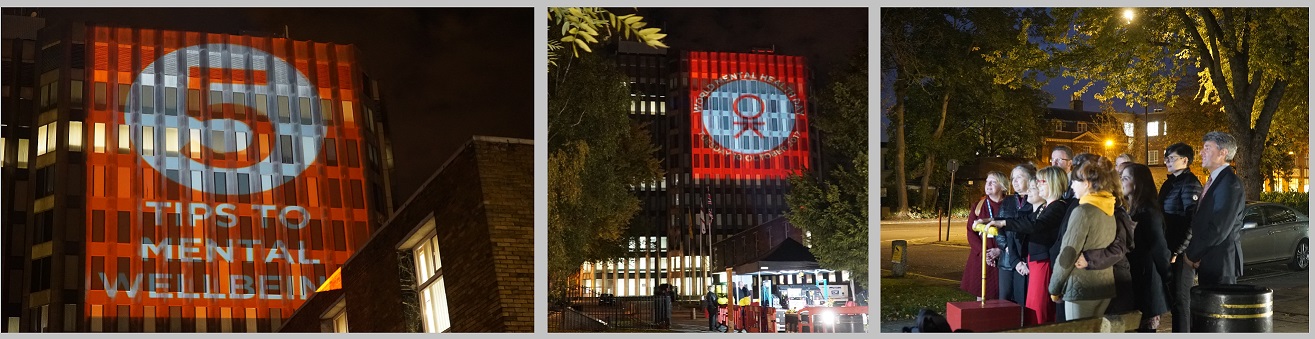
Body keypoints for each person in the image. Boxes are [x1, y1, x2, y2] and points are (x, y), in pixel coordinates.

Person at [979, 166, 1070, 325]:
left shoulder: (1057, 206)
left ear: (1053, 183)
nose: (1038, 186)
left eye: (1042, 182)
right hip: (1035, 261)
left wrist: (1003, 222)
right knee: (1033, 306)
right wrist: (993, 221)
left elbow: (1035, 225)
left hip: (1042, 261)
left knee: (1038, 308)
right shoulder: (1047, 207)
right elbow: (1024, 223)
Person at [1050, 156, 1118, 321]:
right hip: (1105, 286)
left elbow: (1068, 253)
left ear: (1087, 183)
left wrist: (1054, 288)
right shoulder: (1109, 209)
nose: (1071, 185)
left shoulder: (1083, 211)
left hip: (1081, 287)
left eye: (1075, 181)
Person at [1184, 131, 1247, 285]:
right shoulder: (1215, 181)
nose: (1201, 152)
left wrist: (1191, 254)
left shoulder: (1229, 184)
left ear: (1223, 152)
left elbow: (1218, 228)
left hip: (1221, 264)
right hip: (1209, 261)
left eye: (1207, 148)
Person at [1121, 163, 1171, 331]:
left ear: (1139, 183)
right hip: (1136, 278)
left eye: (1126, 178)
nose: (1121, 181)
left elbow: (1159, 247)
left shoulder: (1148, 211)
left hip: (1147, 280)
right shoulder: (1131, 209)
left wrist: (1167, 275)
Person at [1159, 142, 1203, 332]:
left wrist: (1178, 250)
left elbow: (1192, 221)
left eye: (1172, 158)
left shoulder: (1190, 183)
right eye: (1166, 158)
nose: (1167, 161)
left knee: (1181, 300)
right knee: (1174, 299)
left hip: (1180, 253)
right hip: (1169, 248)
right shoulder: (1170, 182)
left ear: (1185, 160)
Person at [995, 164, 1036, 309]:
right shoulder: (1008, 201)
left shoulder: (1036, 201)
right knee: (1004, 301)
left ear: (1031, 179)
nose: (1015, 181)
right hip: (1007, 260)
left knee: (1023, 301)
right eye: (1013, 178)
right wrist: (1007, 248)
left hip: (1026, 261)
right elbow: (999, 229)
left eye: (1019, 177)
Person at [962, 171, 1006, 300]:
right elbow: (971, 233)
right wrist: (985, 253)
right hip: (983, 259)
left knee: (1004, 297)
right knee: (982, 297)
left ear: (1003, 186)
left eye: (993, 182)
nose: (988, 184)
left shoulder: (1010, 205)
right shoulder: (978, 206)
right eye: (987, 181)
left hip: (1003, 258)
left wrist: (999, 250)